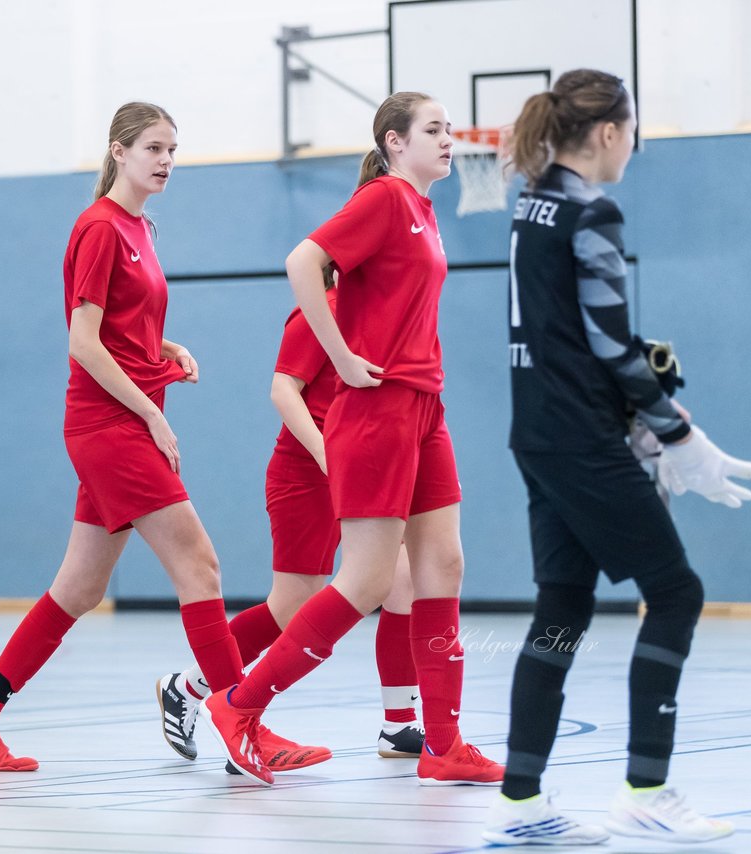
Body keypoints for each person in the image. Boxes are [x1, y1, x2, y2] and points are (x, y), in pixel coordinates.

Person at [0, 102, 322, 778]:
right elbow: (82, 343)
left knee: (79, 588)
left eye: (173, 149)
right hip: (108, 428)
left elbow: (118, 327)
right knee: (200, 567)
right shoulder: (99, 229)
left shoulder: (141, 228)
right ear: (119, 151)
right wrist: (151, 411)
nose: (166, 160)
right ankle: (241, 718)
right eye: (153, 147)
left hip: (118, 421)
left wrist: (163, 349)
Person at [481, 69, 751, 846]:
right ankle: (647, 785)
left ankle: (520, 802)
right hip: (578, 439)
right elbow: (608, 341)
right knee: (677, 593)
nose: (632, 146)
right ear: (607, 133)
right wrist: (675, 433)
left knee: (562, 609)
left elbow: (570, 338)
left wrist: (641, 414)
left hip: (538, 434)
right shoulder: (591, 209)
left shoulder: (530, 204)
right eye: (631, 132)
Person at [197, 91, 504, 788]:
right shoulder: (388, 199)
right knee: (366, 579)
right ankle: (239, 707)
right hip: (378, 410)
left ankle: (443, 743)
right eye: (434, 129)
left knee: (443, 566)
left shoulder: (424, 211)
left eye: (450, 129)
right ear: (395, 142)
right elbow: (303, 260)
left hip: (426, 406)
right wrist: (336, 356)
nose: (449, 139)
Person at [157, 267, 426, 770]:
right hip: (307, 472)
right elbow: (284, 391)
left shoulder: (384, 316)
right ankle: (191, 686)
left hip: (362, 468)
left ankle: (398, 722)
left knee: (402, 581)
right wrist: (330, 457)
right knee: (292, 606)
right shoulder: (317, 311)